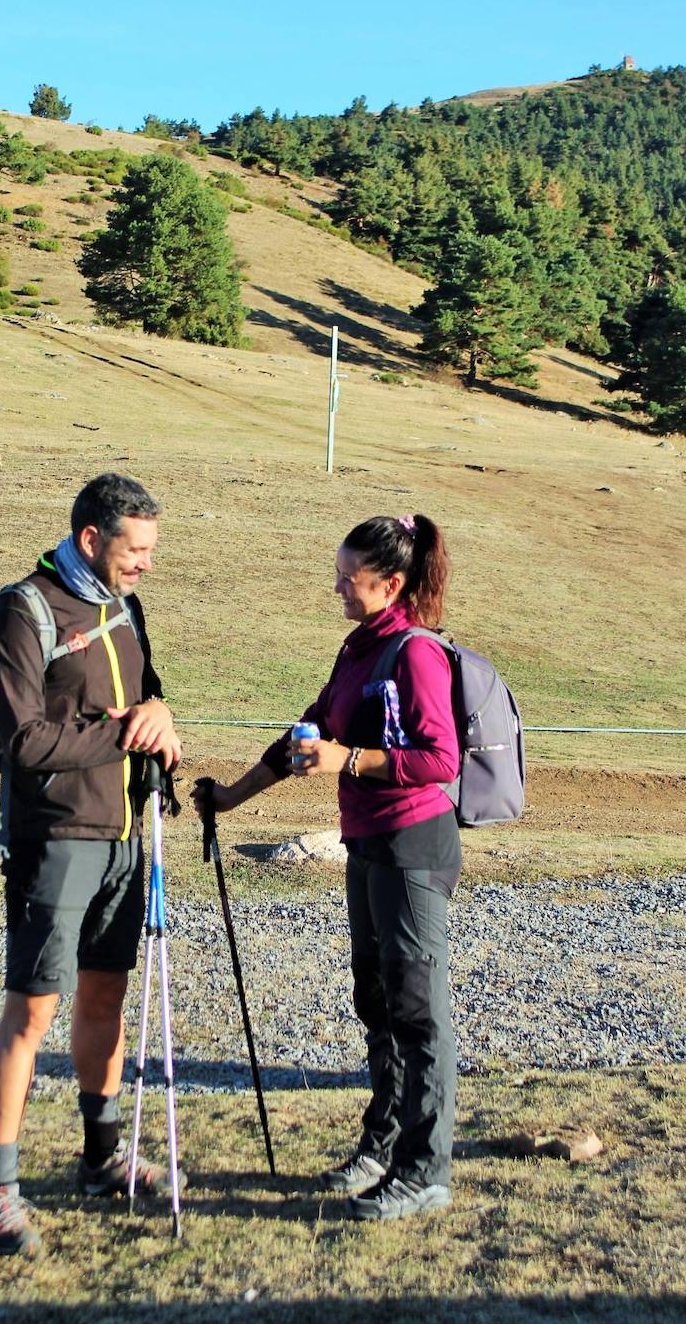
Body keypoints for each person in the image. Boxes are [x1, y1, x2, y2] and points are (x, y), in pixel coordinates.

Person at [194, 513, 461, 1222]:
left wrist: (352, 761)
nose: (337, 588)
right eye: (338, 575)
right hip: (367, 844)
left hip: (413, 845)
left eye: (350, 579)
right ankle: (382, 1144)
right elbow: (304, 736)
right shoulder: (359, 648)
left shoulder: (414, 654)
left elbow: (440, 760)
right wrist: (230, 797)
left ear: (391, 583)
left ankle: (424, 1169)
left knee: (415, 1009)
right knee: (375, 1000)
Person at [0, 473, 183, 1257]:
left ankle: (101, 1158)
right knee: (31, 1014)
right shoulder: (21, 612)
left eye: (151, 550)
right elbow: (23, 742)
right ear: (92, 539)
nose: (147, 565)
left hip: (126, 837)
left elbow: (145, 700)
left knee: (105, 1002)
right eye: (137, 549)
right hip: (56, 840)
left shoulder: (125, 609)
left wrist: (157, 716)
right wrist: (127, 731)